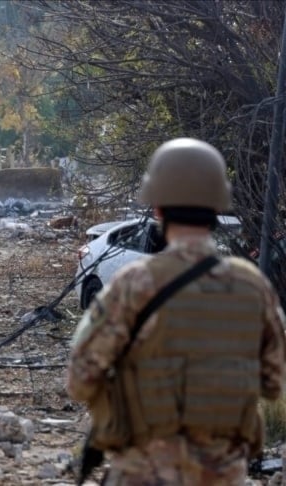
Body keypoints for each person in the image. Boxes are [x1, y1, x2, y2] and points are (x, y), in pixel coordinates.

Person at [67, 138, 285, 485]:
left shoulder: (132, 283)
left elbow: (80, 379)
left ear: (157, 208)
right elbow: (273, 383)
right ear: (218, 208)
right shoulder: (253, 287)